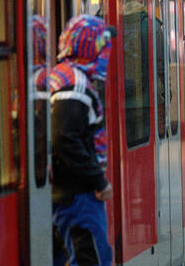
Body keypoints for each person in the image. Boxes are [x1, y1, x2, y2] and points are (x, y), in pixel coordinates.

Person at [50, 15, 115, 266]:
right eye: (102, 45)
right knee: (93, 259)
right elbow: (64, 138)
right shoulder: (74, 87)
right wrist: (98, 180)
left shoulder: (64, 76)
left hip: (68, 195)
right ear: (90, 48)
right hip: (78, 198)